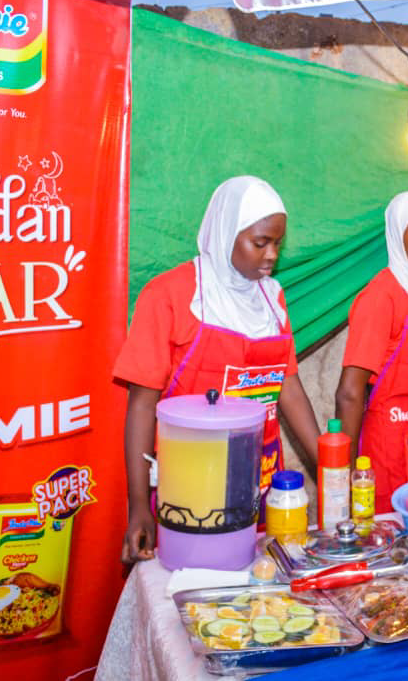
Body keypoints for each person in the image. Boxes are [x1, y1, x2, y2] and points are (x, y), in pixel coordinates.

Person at [114, 176, 321, 563]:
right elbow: (142, 405)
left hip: (263, 486)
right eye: (260, 243)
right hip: (194, 491)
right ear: (226, 232)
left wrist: (332, 470)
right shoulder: (171, 297)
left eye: (277, 243)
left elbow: (287, 386)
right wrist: (138, 504)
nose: (272, 254)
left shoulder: (271, 299)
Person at [334, 191, 408, 513]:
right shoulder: (381, 297)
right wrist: (344, 476)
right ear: (399, 239)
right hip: (385, 452)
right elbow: (349, 392)